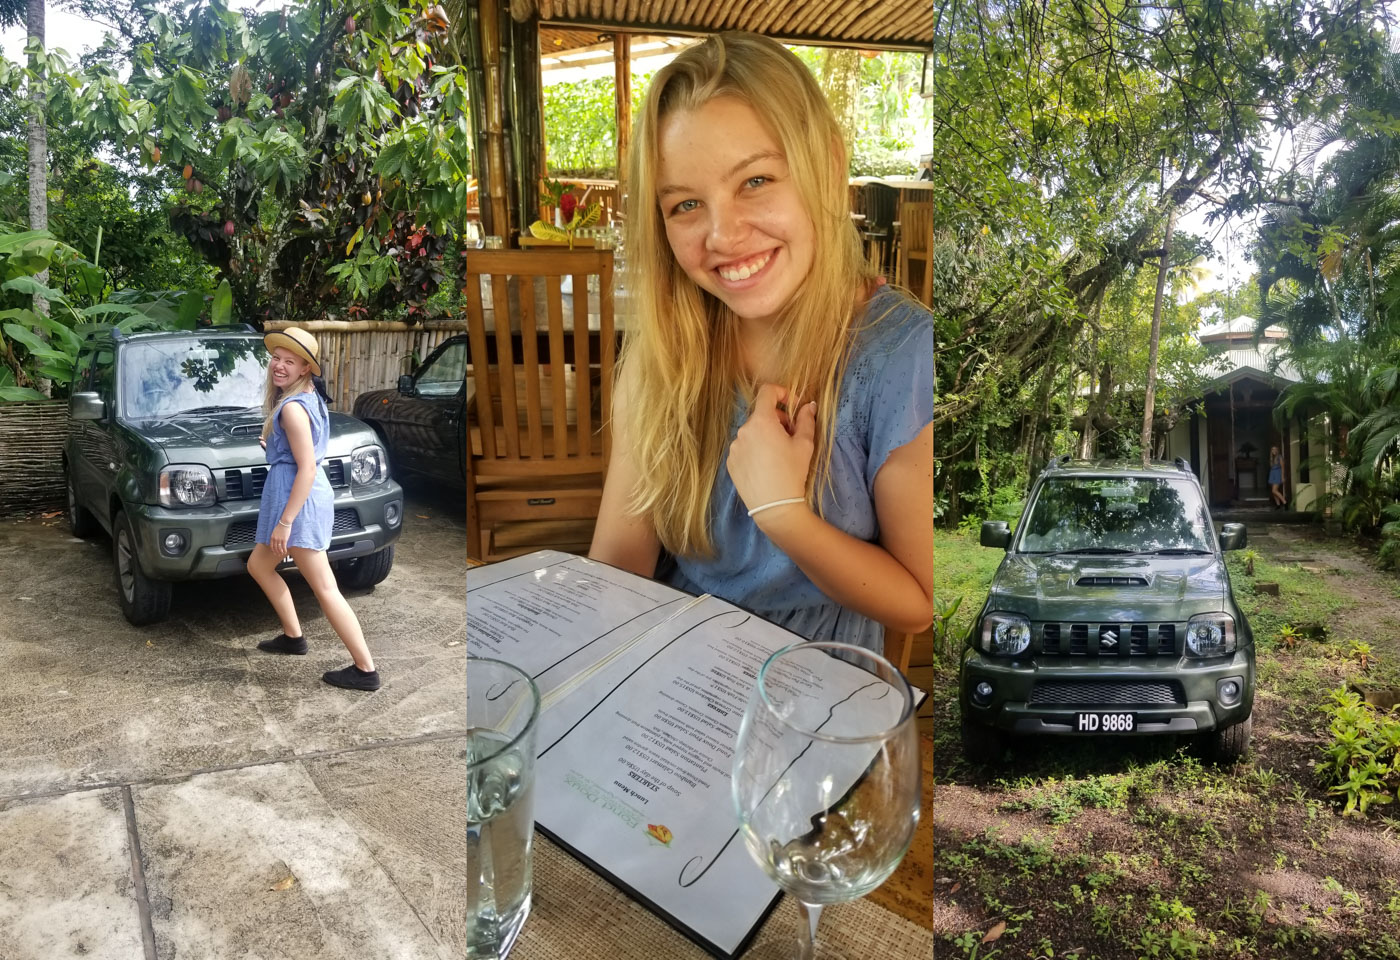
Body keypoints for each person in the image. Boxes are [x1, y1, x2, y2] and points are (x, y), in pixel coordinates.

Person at [588, 32, 934, 654]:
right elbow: (620, 564)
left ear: (827, 167)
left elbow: (916, 602)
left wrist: (783, 513)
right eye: (686, 204)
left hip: (824, 681)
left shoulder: (899, 354)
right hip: (675, 660)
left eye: (755, 181)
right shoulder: (665, 351)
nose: (722, 235)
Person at [248, 327, 381, 691]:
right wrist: (273, 445)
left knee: (325, 588)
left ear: (306, 367)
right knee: (259, 565)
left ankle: (366, 670)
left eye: (290, 361)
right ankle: (293, 636)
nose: (279, 365)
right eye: (276, 357)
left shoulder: (292, 407)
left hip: (298, 502)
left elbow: (306, 467)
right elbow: (300, 455)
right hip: (295, 492)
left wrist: (285, 522)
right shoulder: (306, 397)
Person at [1269, 445, 1286, 510]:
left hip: (1278, 474)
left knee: (1274, 490)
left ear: (1277, 450)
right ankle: (1278, 504)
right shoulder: (1272, 458)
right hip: (1272, 474)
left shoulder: (1280, 457)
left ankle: (1285, 502)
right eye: (1272, 449)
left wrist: (1282, 477)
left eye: (1275, 449)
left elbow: (1283, 467)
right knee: (1273, 491)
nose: (1274, 451)